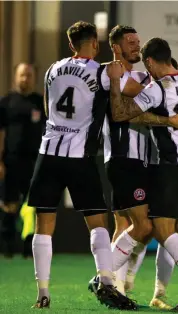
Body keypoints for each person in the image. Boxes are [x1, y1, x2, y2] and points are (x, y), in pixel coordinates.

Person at [27, 21, 136, 310]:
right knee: (97, 222)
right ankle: (106, 281)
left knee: (44, 224)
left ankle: (43, 293)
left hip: (48, 152)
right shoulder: (102, 72)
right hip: (81, 156)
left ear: (71, 45)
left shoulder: (52, 69)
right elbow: (129, 93)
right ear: (95, 44)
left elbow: (49, 108)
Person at [106, 37, 178, 309]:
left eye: (148, 65)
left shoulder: (157, 89)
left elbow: (121, 114)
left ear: (152, 62)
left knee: (161, 228)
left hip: (174, 164)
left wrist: (115, 86)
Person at [88, 25, 178, 297]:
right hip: (123, 156)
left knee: (140, 227)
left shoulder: (139, 76)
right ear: (116, 47)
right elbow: (132, 99)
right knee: (137, 225)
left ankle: (116, 282)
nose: (136, 46)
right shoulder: (112, 73)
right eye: (130, 43)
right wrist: (162, 84)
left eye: (138, 42)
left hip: (145, 158)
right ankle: (109, 283)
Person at [0, 63, 45, 258]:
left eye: (28, 75)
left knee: (32, 206)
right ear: (15, 77)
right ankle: (8, 247)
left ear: (34, 78)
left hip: (34, 162)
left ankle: (29, 248)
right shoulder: (6, 102)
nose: (25, 79)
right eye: (22, 75)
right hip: (11, 161)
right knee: (9, 203)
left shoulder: (40, 103)